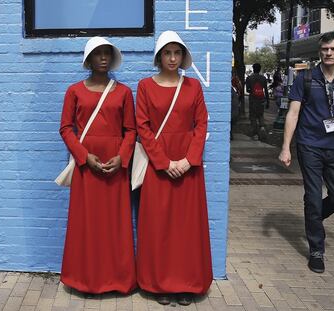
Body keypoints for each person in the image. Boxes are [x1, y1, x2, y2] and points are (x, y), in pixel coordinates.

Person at [278, 32, 334, 274]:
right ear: (320, 51)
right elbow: (293, 113)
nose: (329, 53)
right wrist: (286, 147)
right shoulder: (305, 78)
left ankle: (313, 219)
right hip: (309, 146)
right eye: (325, 49)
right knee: (313, 195)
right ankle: (316, 250)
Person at [135, 30, 212, 306]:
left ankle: (186, 283)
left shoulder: (193, 87)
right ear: (159, 56)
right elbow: (142, 127)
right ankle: (159, 285)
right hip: (159, 166)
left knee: (186, 228)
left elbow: (201, 124)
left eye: (176, 52)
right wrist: (164, 162)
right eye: (167, 53)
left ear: (183, 56)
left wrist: (188, 160)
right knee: (159, 226)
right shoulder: (145, 86)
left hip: (188, 166)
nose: (172, 58)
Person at [59, 37, 137, 293]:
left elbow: (130, 130)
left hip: (114, 166)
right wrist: (83, 156)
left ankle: (117, 280)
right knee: (87, 224)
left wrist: (122, 158)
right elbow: (66, 128)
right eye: (97, 54)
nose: (103, 58)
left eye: (107, 53)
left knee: (115, 224)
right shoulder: (74, 91)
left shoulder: (124, 92)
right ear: (89, 59)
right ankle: (85, 280)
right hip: (86, 166)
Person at [245, 63, 270, 140]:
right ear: (259, 69)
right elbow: (266, 90)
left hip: (253, 99)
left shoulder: (249, 78)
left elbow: (247, 90)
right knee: (260, 115)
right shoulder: (263, 78)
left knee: (253, 116)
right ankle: (262, 127)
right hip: (261, 99)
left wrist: (253, 90)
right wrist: (267, 101)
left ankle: (255, 134)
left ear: (253, 69)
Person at [231, 69, 243, 140]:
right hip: (236, 97)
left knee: (232, 116)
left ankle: (230, 132)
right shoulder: (237, 79)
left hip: (234, 98)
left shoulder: (234, 80)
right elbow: (240, 88)